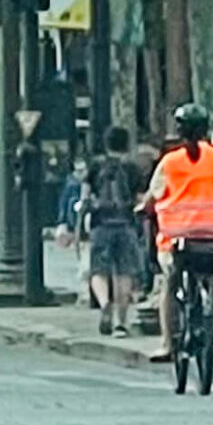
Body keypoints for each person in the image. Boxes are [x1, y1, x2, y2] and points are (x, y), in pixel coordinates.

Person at [145, 102, 213, 363]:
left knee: (170, 284)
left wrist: (144, 208)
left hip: (179, 241)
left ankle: (167, 343)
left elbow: (154, 196)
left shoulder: (171, 162)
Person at [84, 125, 146, 336]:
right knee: (124, 273)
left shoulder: (95, 167)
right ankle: (121, 322)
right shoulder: (132, 169)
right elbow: (140, 200)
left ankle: (104, 304)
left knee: (98, 271)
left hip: (101, 225)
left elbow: (85, 198)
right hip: (126, 225)